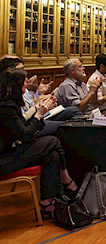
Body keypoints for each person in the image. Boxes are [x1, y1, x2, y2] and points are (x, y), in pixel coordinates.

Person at [0, 68, 78, 218]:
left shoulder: (8, 103)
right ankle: (66, 180)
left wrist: (39, 110)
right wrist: (39, 114)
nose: (26, 86)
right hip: (3, 159)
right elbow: (25, 135)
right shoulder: (6, 107)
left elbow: (22, 126)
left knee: (52, 154)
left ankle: (48, 202)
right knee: (52, 141)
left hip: (10, 150)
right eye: (24, 83)